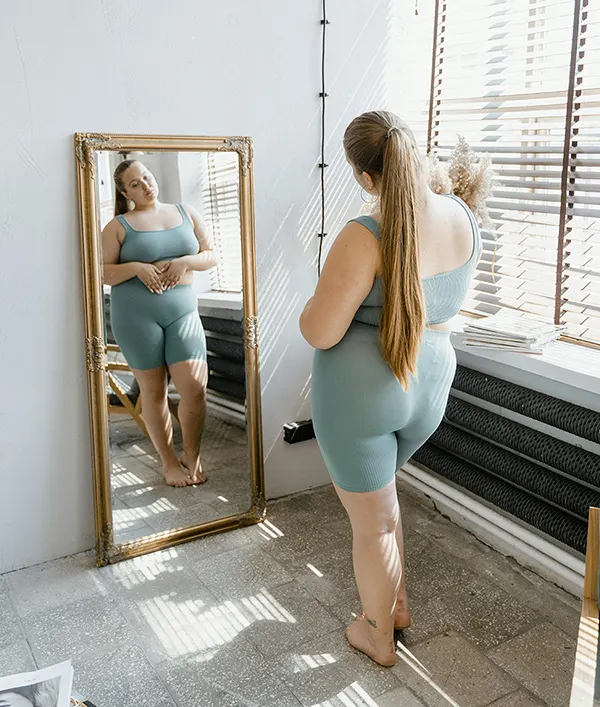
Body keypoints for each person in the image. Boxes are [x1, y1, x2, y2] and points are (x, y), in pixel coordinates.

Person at [300, 111, 483, 666]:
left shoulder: (365, 236)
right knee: (383, 505)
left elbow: (320, 328)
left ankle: (376, 636)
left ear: (363, 177)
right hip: (429, 386)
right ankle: (396, 606)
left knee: (372, 523)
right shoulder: (461, 216)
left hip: (365, 397)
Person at [102, 160, 217, 487]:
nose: (146, 185)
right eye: (135, 184)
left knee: (195, 388)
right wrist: (137, 267)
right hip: (136, 315)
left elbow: (210, 255)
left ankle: (191, 456)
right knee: (154, 392)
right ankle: (169, 463)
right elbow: (100, 270)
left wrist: (184, 261)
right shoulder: (118, 226)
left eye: (147, 177)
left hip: (182, 311)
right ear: (125, 193)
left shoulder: (186, 212)